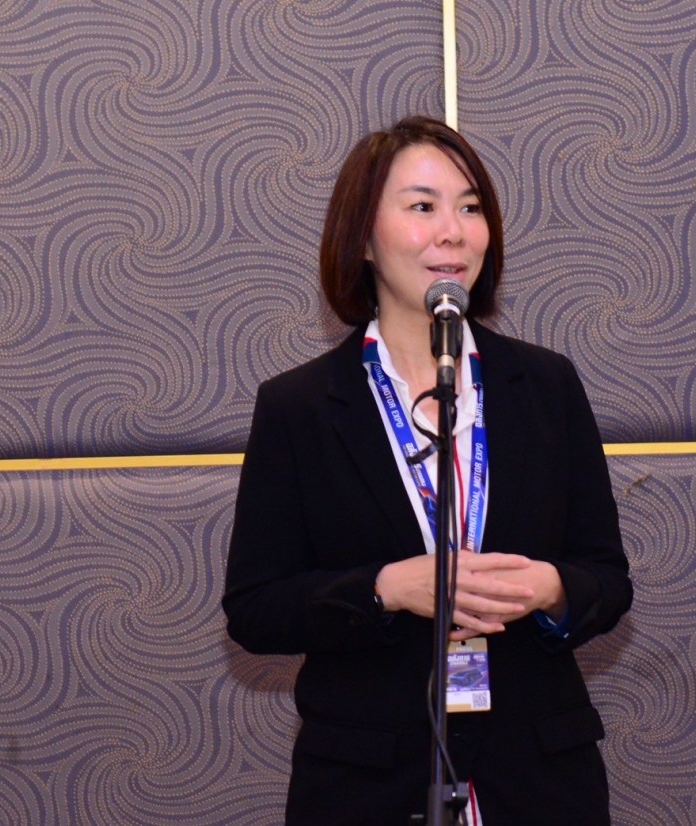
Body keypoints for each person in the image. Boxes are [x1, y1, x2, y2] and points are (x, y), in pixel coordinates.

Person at [223, 116, 633, 825]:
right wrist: (388, 589)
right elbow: (256, 609)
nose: (453, 233)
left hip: (538, 783)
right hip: (368, 787)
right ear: (363, 238)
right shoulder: (301, 406)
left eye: (471, 208)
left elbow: (608, 578)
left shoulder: (545, 385)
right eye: (423, 206)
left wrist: (549, 589)